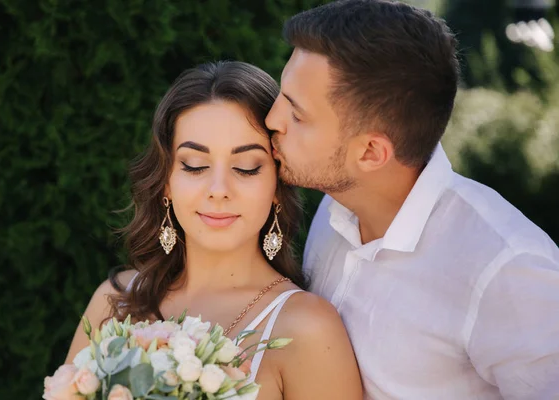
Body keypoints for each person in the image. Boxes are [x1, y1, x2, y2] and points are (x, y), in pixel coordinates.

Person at [266, 0, 559, 399]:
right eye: (283, 94)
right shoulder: (336, 208)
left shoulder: (506, 269)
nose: (272, 119)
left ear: (371, 153)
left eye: (297, 115)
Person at [65, 61, 363, 399]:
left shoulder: (306, 329)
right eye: (195, 166)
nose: (218, 189)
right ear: (166, 182)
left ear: (278, 186)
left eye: (246, 168)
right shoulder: (115, 302)